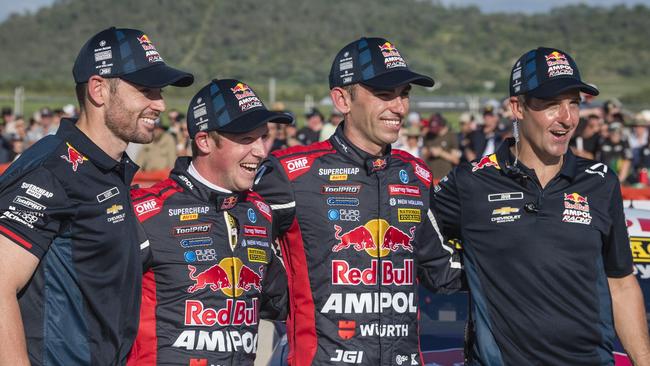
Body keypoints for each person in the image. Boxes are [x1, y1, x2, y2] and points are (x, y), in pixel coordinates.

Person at [434, 47, 650, 365]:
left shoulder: (601, 181)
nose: (567, 118)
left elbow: (619, 282)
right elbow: (410, 241)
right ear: (517, 107)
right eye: (551, 104)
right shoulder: (470, 183)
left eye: (574, 104)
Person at [254, 37, 462, 366]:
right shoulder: (292, 173)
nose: (400, 107)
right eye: (384, 94)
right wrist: (288, 299)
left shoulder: (417, 174)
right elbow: (238, 249)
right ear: (342, 99)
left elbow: (442, 270)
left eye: (404, 94)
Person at [0, 26, 193, 365]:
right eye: (146, 90)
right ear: (99, 89)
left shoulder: (106, 169)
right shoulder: (53, 169)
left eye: (159, 91)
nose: (160, 104)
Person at [127, 79, 290, 366]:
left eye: (263, 137)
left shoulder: (262, 212)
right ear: (203, 141)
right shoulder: (146, 211)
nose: (261, 151)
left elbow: (282, 301)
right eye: (246, 139)